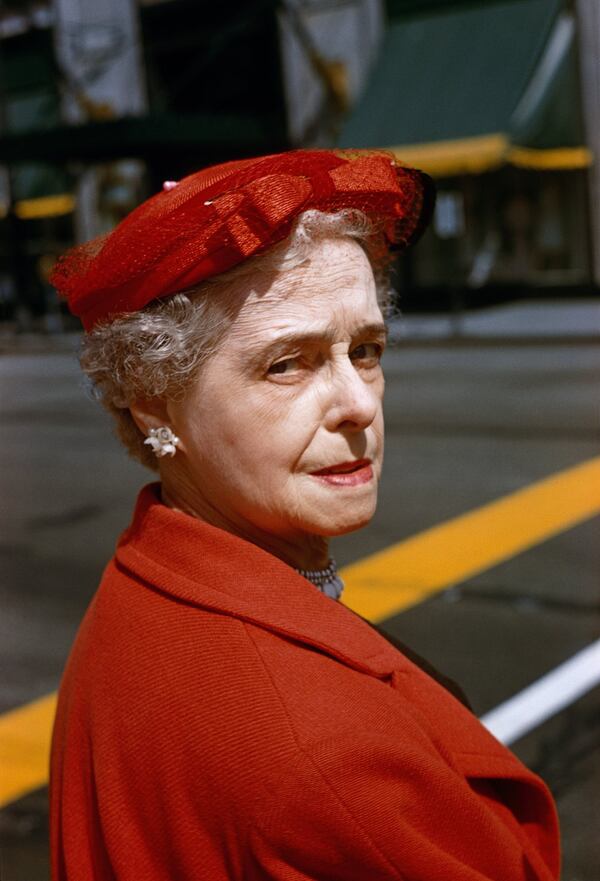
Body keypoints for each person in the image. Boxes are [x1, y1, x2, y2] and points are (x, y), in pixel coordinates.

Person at [49, 150, 560, 880]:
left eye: (367, 349)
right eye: (288, 363)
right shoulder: (329, 766)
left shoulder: (145, 581)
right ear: (155, 400)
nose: (359, 403)